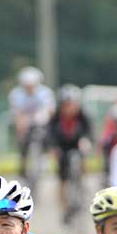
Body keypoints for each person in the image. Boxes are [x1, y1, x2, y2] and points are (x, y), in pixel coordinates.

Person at [47, 84, 92, 224]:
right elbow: (50, 135)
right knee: (62, 178)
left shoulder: (83, 116)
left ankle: (82, 183)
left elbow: (89, 132)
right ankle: (64, 207)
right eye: (66, 105)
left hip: (77, 144)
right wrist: (53, 148)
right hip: (62, 147)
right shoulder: (56, 117)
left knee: (82, 158)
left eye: (72, 104)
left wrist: (86, 141)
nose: (69, 108)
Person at [8, 67, 55, 179]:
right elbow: (17, 113)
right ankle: (23, 163)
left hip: (41, 118)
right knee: (22, 140)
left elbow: (50, 110)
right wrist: (20, 128)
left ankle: (45, 154)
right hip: (25, 119)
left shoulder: (45, 92)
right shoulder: (16, 94)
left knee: (46, 132)